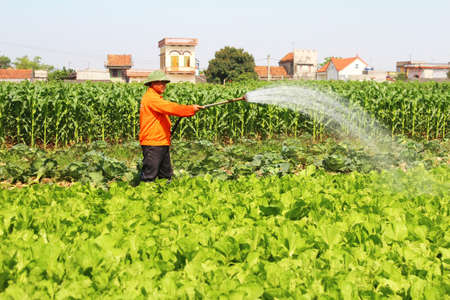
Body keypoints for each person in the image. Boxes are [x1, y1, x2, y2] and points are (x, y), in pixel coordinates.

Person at [139, 70, 203, 182]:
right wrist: (190, 109)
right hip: (153, 143)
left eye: (165, 83)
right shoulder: (151, 99)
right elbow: (171, 108)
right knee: (149, 175)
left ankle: (165, 196)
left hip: (161, 142)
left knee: (165, 175)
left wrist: (189, 110)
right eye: (160, 83)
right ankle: (145, 195)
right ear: (152, 84)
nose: (164, 85)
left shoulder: (155, 98)